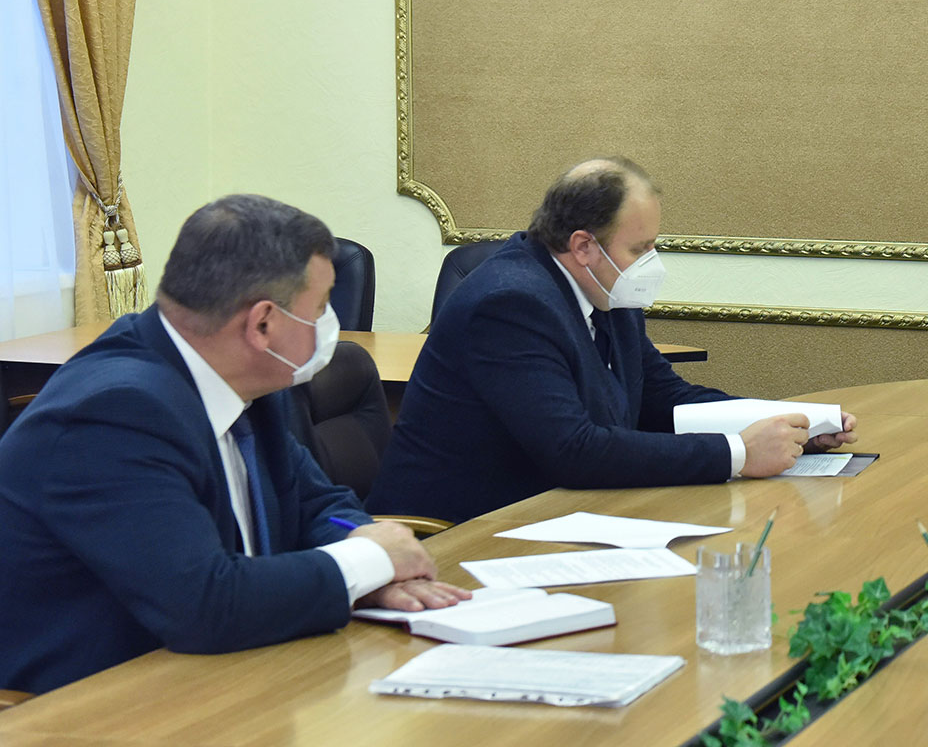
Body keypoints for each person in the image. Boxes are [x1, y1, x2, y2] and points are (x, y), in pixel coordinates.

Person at [0, 196, 467, 695]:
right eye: (321, 307)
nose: (329, 322)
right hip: (89, 705)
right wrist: (369, 561)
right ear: (263, 324)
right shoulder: (114, 414)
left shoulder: (245, 379)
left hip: (223, 677)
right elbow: (204, 604)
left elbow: (318, 507)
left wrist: (367, 553)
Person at [369, 158, 857, 523]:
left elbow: (664, 399)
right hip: (459, 533)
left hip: (555, 514)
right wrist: (739, 452)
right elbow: (574, 450)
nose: (650, 263)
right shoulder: (510, 305)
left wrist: (787, 427)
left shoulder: (605, 292)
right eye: (640, 248)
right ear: (584, 246)